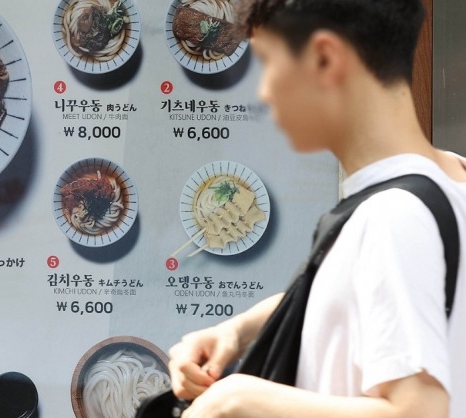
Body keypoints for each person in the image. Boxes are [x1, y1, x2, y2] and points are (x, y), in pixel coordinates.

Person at [167, 1, 466, 417]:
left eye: (267, 62)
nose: (264, 92)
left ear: (325, 58)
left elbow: (419, 411)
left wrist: (237, 401)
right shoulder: (450, 182)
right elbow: (370, 296)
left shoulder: (392, 216)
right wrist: (237, 331)